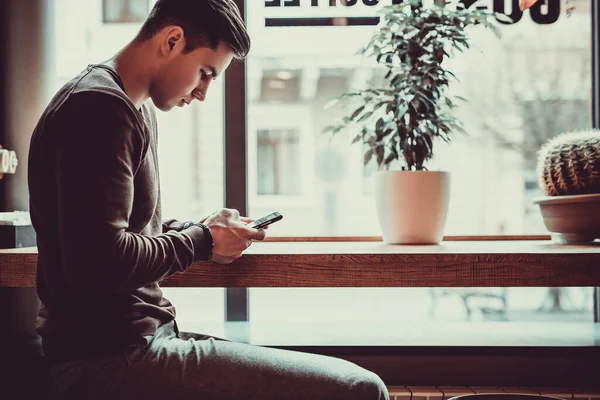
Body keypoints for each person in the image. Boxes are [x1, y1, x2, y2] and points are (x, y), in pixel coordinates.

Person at [27, 0, 390, 399]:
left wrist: (201, 231)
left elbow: (114, 230)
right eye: (204, 73)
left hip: (136, 344)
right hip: (105, 360)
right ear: (172, 39)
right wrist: (201, 240)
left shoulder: (130, 106)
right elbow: (98, 263)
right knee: (360, 388)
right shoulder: (99, 109)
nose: (202, 93)